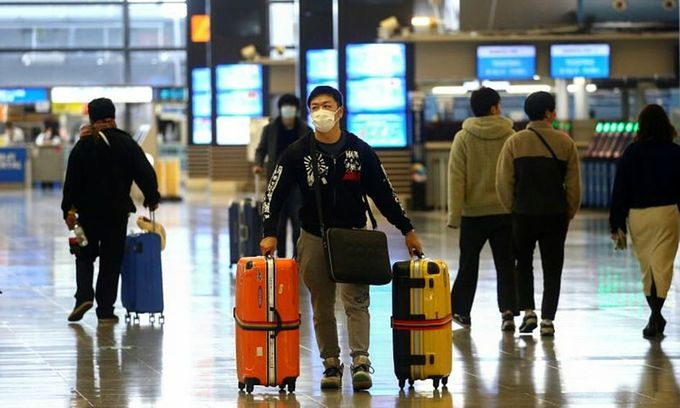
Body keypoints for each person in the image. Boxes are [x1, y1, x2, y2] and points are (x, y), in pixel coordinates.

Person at [259, 86, 423, 391]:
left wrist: (407, 229)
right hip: (313, 237)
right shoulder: (297, 152)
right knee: (321, 305)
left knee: (357, 301)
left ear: (339, 112)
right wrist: (269, 233)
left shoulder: (360, 151)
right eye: (315, 106)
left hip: (353, 237)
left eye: (327, 106)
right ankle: (331, 364)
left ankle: (361, 360)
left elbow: (384, 193)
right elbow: (273, 194)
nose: (320, 112)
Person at [61, 97, 160, 323]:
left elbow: (72, 180)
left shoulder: (83, 145)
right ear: (113, 117)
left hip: (87, 214)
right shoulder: (126, 143)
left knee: (84, 256)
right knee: (110, 260)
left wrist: (68, 209)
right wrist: (151, 198)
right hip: (116, 213)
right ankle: (105, 309)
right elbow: (145, 172)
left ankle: (84, 296)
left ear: (92, 118)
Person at [496, 91, 581, 337]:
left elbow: (503, 182)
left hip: (523, 213)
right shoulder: (565, 142)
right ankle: (548, 320)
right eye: (553, 110)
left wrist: (512, 207)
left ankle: (529, 311)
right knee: (553, 267)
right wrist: (569, 211)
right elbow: (574, 186)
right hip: (555, 214)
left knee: (523, 263)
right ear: (547, 113)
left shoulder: (515, 141)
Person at [447, 87, 518, 331]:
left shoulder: (463, 137)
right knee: (506, 263)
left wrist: (454, 216)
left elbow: (457, 177)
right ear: (494, 108)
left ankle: (460, 311)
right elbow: (515, 173)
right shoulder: (510, 135)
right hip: (504, 211)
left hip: (473, 213)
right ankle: (508, 311)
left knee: (468, 262)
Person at [609, 104, 680, 338]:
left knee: (647, 267)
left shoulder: (632, 152)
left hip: (638, 216)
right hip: (667, 214)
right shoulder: (675, 152)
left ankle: (655, 316)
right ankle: (655, 315)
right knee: (662, 266)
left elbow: (620, 189)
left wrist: (616, 222)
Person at [253, 94, 311, 257]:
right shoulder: (270, 128)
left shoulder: (305, 129)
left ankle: (298, 258)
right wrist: (258, 164)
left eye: (291, 106)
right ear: (280, 109)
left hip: (298, 185)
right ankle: (281, 258)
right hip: (276, 182)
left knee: (297, 221)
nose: (288, 110)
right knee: (277, 223)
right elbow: (261, 149)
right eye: (285, 106)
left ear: (296, 109)